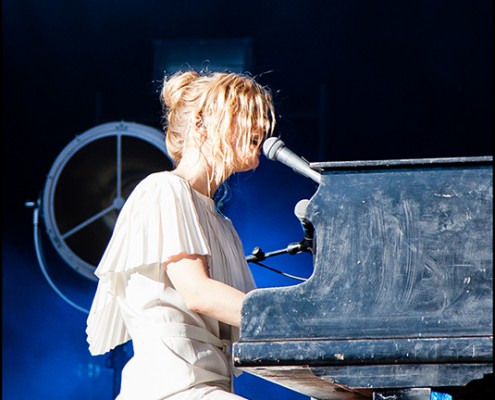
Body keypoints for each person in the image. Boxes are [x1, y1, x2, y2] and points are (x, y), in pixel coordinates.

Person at [86, 70, 276, 399]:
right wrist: (296, 318)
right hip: (170, 390)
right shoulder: (164, 189)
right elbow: (199, 292)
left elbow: (254, 332)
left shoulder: (222, 225)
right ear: (201, 123)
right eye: (245, 114)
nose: (259, 125)